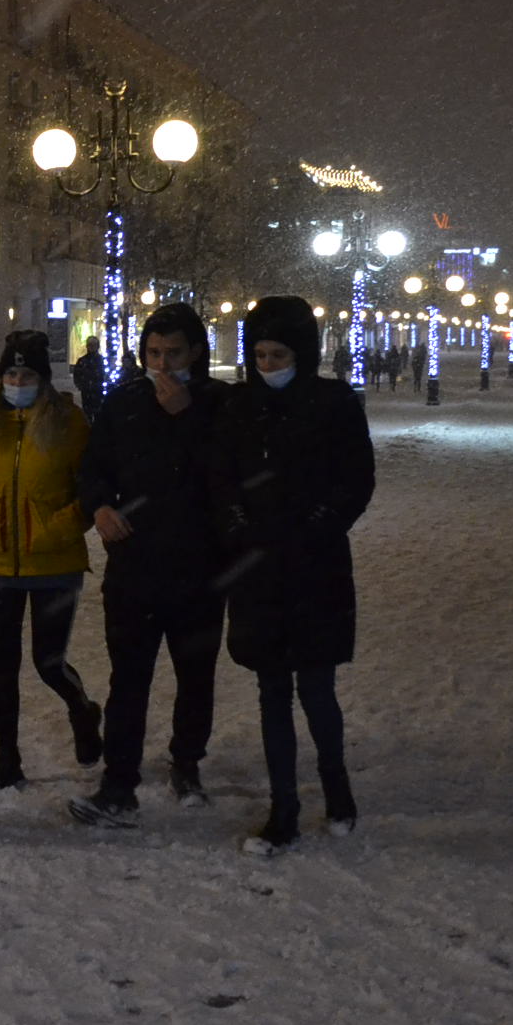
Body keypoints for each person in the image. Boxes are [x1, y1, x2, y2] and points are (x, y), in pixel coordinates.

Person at [210, 295, 376, 856]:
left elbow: (355, 478)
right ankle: (284, 806)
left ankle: (337, 788)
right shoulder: (239, 407)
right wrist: (239, 524)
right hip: (259, 568)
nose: (267, 365)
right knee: (271, 690)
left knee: (318, 688)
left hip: (315, 565)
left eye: (278, 354)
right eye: (259, 354)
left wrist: (317, 525)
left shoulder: (333, 404)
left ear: (301, 353)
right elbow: (221, 475)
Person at [68, 303, 231, 828]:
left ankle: (187, 761)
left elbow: (229, 475)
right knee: (129, 678)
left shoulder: (219, 406)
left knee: (195, 674)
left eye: (173, 353)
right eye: (153, 353)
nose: (162, 364)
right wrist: (100, 506)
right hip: (136, 564)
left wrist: (188, 415)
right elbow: (93, 467)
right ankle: (119, 783)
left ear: (197, 352)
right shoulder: (125, 403)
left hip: (200, 566)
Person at [0, 330, 101, 791]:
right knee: (2, 665)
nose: (18, 380)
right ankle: (8, 758)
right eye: (12, 372)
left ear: (43, 377)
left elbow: (91, 488)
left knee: (47, 661)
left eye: (28, 373)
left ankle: (82, 709)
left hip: (56, 565)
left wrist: (55, 528)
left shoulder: (70, 423)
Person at [71, 335, 106, 419]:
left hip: (98, 390)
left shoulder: (102, 360)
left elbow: (104, 375)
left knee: (98, 413)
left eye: (94, 345)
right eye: (90, 345)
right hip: (86, 391)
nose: (92, 347)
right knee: (87, 413)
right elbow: (77, 374)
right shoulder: (82, 361)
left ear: (97, 346)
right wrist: (80, 385)